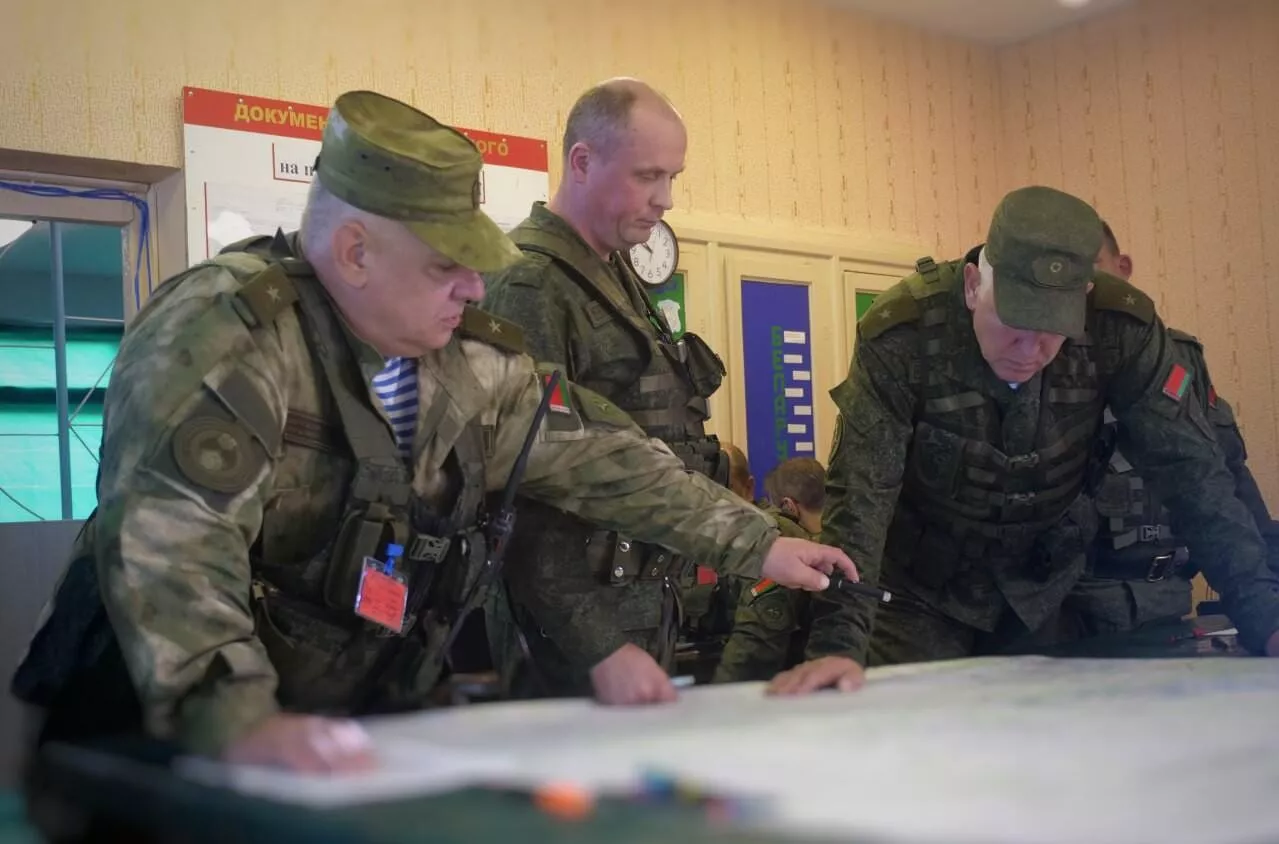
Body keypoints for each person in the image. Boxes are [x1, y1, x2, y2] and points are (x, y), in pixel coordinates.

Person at [9, 89, 858, 793]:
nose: (474, 289)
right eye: (444, 266)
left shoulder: (468, 362)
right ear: (354, 252)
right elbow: (174, 548)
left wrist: (758, 541)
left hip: (337, 734)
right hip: (152, 740)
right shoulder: (228, 335)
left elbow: (606, 460)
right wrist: (237, 720)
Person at [769, 185, 1279, 697]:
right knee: (907, 727)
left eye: (1052, 330)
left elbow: (1194, 474)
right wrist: (837, 645)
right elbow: (861, 497)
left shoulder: (1120, 327)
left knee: (1042, 732)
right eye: (1014, 321)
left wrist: (1266, 617)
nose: (1030, 349)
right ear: (973, 285)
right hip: (917, 593)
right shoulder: (903, 332)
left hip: (1043, 592)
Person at [481, 78, 735, 705]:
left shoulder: (616, 272)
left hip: (641, 603)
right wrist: (598, 645)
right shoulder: (531, 283)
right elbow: (521, 495)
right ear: (582, 161)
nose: (665, 199)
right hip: (566, 637)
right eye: (648, 176)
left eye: (672, 177)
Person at [1065, 221, 1277, 635]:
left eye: (1090, 268)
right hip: (1073, 616)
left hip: (1166, 606)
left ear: (1122, 268)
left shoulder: (1181, 357)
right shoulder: (1037, 361)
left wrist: (1267, 602)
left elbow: (1228, 479)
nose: (1081, 289)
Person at [715, 458, 826, 683]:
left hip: (788, 683)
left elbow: (755, 647)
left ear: (788, 506)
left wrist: (722, 696)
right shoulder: (849, 538)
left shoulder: (780, 538)